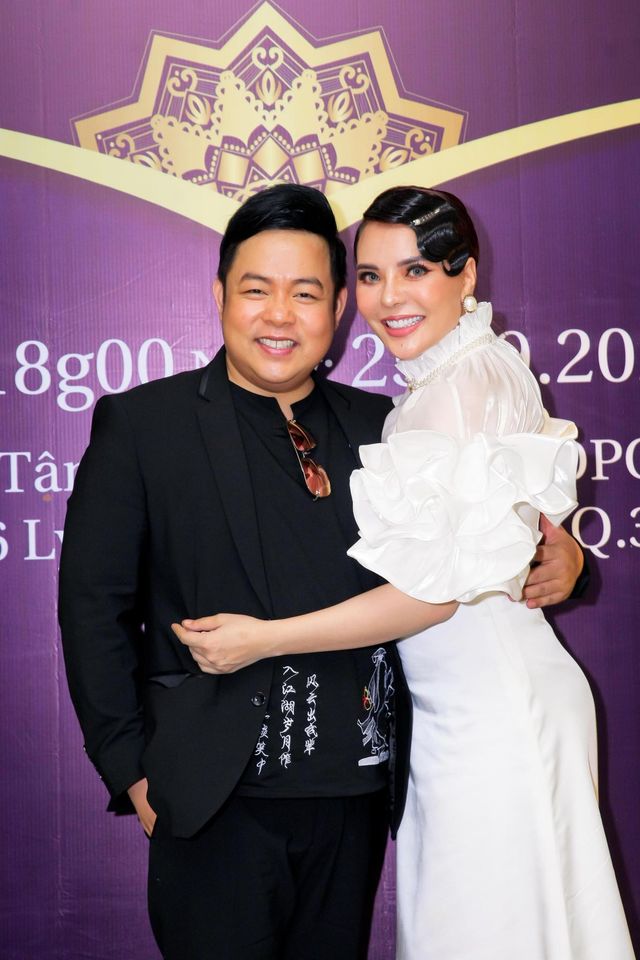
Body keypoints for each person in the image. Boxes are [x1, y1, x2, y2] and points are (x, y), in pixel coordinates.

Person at [59, 183, 585, 960]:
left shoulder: (386, 426)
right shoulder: (144, 424)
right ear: (219, 294)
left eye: (306, 293)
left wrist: (562, 555)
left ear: (338, 307)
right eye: (256, 290)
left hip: (355, 799)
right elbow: (92, 608)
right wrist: (133, 774)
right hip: (212, 801)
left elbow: (478, 539)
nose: (280, 315)